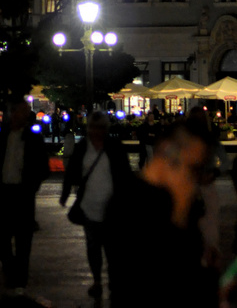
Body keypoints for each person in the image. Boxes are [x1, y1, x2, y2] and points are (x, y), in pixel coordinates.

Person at [107, 122, 216, 306]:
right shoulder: (132, 204)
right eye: (194, 168)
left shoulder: (156, 196)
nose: (195, 180)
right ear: (168, 153)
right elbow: (161, 276)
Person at [0, 99, 50, 297]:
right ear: (12, 113)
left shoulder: (33, 138)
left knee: (23, 240)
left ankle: (20, 283)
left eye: (27, 112)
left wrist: (32, 186)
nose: (26, 115)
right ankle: (11, 270)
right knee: (1, 239)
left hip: (23, 194)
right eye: (22, 111)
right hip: (3, 193)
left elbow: (43, 167)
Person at [60, 110, 130, 301]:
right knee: (93, 246)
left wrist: (129, 198)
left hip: (112, 207)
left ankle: (114, 282)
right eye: (93, 127)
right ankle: (98, 280)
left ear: (105, 129)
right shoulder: (83, 147)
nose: (96, 131)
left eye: (100, 128)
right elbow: (73, 170)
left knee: (113, 248)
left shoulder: (114, 147)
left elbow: (125, 175)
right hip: (89, 204)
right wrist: (65, 194)